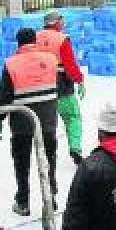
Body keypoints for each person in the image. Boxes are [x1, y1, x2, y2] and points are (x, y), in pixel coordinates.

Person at [0, 28, 60, 217]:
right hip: (47, 121)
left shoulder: (11, 63)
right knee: (49, 160)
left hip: (21, 122)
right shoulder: (50, 59)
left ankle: (23, 202)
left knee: (22, 162)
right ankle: (51, 199)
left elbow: (5, 95)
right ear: (35, 40)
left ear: (18, 42)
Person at [36, 10, 86, 164]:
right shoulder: (62, 39)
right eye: (61, 20)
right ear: (57, 22)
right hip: (62, 84)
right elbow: (70, 64)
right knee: (72, 117)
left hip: (41, 84)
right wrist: (80, 80)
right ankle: (75, 148)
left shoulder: (34, 37)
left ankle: (46, 152)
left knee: (46, 121)